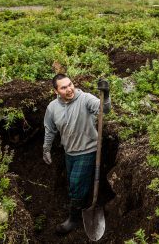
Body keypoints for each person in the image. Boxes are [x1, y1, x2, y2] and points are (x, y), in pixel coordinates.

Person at [42, 73, 110, 234]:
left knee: (76, 184)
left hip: (87, 150)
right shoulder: (52, 108)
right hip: (69, 152)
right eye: (63, 87)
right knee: (73, 184)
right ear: (56, 91)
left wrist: (106, 95)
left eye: (70, 84)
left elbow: (104, 109)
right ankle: (81, 204)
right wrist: (46, 148)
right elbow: (50, 130)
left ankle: (73, 219)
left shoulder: (85, 99)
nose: (69, 89)